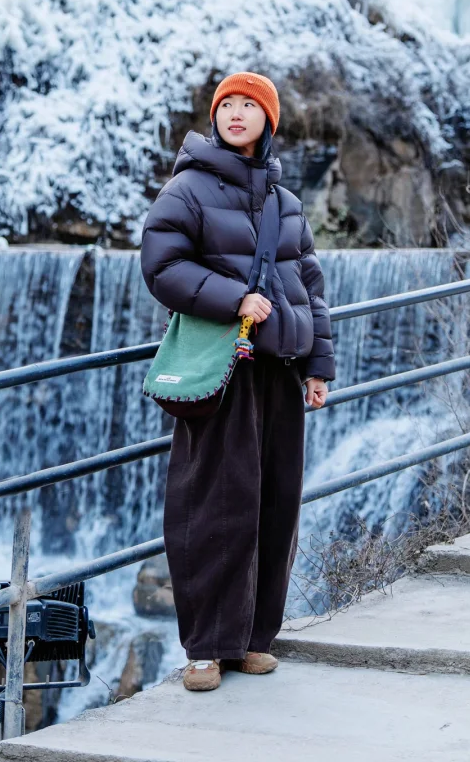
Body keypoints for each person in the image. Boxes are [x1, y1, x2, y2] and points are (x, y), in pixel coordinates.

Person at [140, 72, 335, 693]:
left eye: (251, 106)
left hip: (279, 371)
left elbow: (310, 285)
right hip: (223, 370)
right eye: (229, 105)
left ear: (268, 123)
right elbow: (161, 264)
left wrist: (317, 366)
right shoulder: (189, 187)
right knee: (213, 507)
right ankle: (205, 648)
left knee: (273, 506)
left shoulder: (284, 202)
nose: (238, 114)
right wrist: (234, 299)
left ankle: (252, 640)